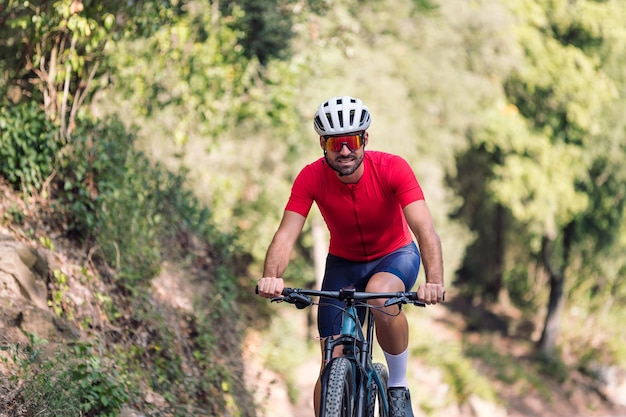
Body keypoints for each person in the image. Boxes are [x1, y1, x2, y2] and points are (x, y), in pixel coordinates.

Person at [257, 95, 445, 417]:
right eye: (335, 144)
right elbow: (286, 234)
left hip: (394, 255)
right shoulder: (310, 177)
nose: (344, 150)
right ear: (323, 145)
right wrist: (272, 276)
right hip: (343, 265)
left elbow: (425, 229)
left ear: (364, 140)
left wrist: (435, 281)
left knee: (380, 294)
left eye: (351, 141)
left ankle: (397, 386)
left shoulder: (393, 168)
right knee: (331, 360)